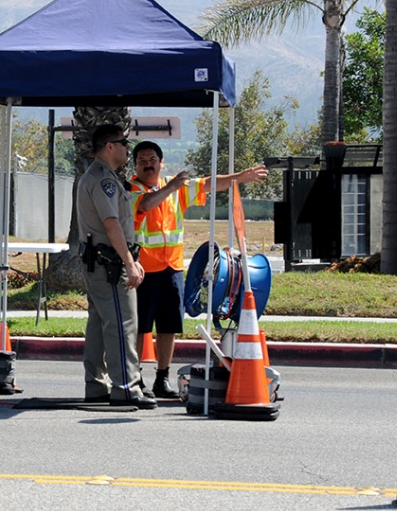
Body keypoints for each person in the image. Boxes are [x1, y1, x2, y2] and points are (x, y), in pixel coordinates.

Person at [130, 140, 268, 398]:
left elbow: (208, 183)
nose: (147, 165)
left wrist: (240, 177)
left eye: (152, 160)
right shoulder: (132, 188)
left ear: (161, 163)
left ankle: (162, 378)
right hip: (143, 271)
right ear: (136, 166)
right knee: (141, 328)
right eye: (142, 161)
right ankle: (135, 379)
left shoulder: (175, 188)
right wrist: (171, 187)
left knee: (169, 326)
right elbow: (146, 205)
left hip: (171, 269)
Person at [75, 124, 156, 409]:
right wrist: (130, 263)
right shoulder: (102, 180)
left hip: (99, 261)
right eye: (123, 143)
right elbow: (111, 224)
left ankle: (96, 384)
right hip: (108, 263)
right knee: (122, 324)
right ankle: (126, 386)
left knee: (99, 324)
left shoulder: (100, 176)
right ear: (110, 146)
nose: (127, 148)